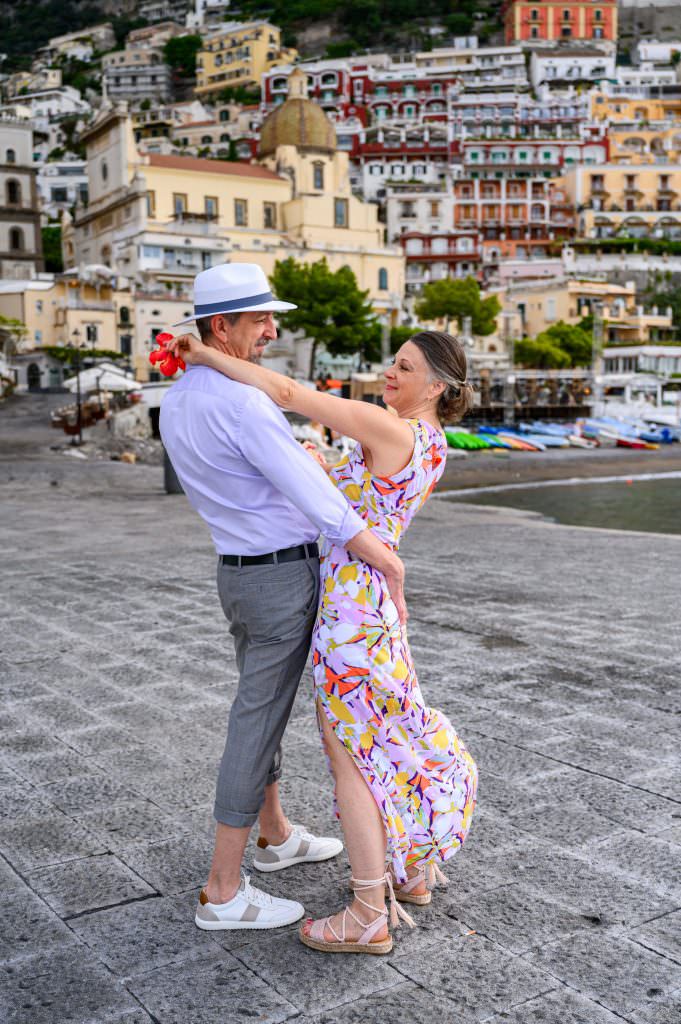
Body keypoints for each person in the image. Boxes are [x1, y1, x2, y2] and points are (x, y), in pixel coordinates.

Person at [168, 321, 479, 956]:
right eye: (392, 362)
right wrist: (323, 466)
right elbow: (362, 495)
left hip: (351, 610)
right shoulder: (430, 441)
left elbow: (286, 391)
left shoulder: (389, 426)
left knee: (351, 757)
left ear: (438, 385)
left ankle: (368, 910)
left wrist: (201, 354)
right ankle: (412, 869)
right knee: (389, 733)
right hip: (371, 608)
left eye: (406, 368)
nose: (391, 374)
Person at [160, 263, 408, 933]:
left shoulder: (179, 397)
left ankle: (272, 835)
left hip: (237, 572)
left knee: (259, 706)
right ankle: (221, 889)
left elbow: (254, 477)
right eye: (260, 319)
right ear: (222, 327)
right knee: (257, 719)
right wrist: (376, 551)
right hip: (278, 577)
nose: (272, 329)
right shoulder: (241, 401)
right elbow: (313, 499)